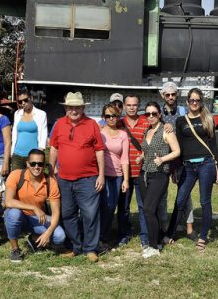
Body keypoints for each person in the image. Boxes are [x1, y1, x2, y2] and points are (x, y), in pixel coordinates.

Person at [164, 88, 218, 253]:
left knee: (205, 201)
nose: (194, 103)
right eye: (192, 100)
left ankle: (203, 237)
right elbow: (180, 147)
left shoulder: (207, 119)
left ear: (201, 101)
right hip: (188, 166)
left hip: (206, 164)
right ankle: (169, 234)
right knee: (180, 200)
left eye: (197, 100)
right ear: (187, 102)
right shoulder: (181, 121)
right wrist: (176, 168)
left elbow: (213, 144)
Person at [49, 92, 105, 262]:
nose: (74, 110)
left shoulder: (92, 124)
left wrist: (101, 175)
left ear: (83, 108)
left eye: (77, 107)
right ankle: (75, 246)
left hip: (88, 178)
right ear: (66, 108)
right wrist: (51, 172)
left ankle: (90, 248)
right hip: (64, 179)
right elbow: (54, 148)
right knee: (67, 214)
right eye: (71, 107)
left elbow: (99, 150)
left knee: (90, 214)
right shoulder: (59, 124)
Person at [4, 149, 65, 263]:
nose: (36, 167)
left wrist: (48, 232)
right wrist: (34, 208)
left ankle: (34, 238)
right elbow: (8, 201)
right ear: (27, 163)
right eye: (33, 163)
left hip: (37, 219)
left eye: (40, 164)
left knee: (59, 236)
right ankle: (15, 249)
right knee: (13, 213)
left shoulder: (51, 182)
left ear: (44, 165)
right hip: (19, 216)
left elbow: (56, 212)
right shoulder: (16, 175)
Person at [137, 102, 180, 258]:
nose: (150, 116)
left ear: (159, 115)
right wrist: (140, 157)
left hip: (160, 175)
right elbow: (147, 151)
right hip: (145, 174)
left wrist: (162, 159)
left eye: (154, 113)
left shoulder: (166, 130)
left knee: (148, 209)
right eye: (147, 114)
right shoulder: (147, 132)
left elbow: (177, 151)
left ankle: (154, 248)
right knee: (149, 210)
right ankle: (158, 239)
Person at [159, 82, 196, 241]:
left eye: (173, 94)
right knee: (161, 195)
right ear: (163, 96)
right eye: (167, 95)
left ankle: (189, 228)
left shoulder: (183, 111)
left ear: (177, 95)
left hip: (180, 159)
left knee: (185, 195)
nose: (170, 97)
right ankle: (164, 227)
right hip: (162, 158)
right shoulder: (156, 113)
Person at [117, 94, 150, 248]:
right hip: (123, 173)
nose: (131, 108)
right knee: (123, 207)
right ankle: (124, 234)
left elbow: (156, 136)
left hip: (141, 171)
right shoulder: (118, 123)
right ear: (124, 106)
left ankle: (144, 236)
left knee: (143, 206)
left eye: (134, 105)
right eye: (128, 105)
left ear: (139, 106)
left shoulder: (146, 122)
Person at [99, 103, 129, 251]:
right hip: (101, 174)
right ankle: (97, 236)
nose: (111, 118)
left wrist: (126, 179)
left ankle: (103, 236)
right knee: (101, 206)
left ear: (118, 117)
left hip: (116, 175)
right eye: (108, 116)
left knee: (111, 207)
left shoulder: (123, 135)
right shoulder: (99, 132)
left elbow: (125, 158)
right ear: (103, 117)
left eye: (114, 116)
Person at [11, 88, 47, 170]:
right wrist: (12, 152)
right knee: (16, 179)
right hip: (17, 155)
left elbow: (43, 133)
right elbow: (14, 133)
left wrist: (40, 151)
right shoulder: (17, 114)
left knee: (32, 180)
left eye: (25, 100)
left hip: (33, 156)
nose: (23, 103)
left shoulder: (41, 114)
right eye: (20, 102)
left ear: (31, 98)